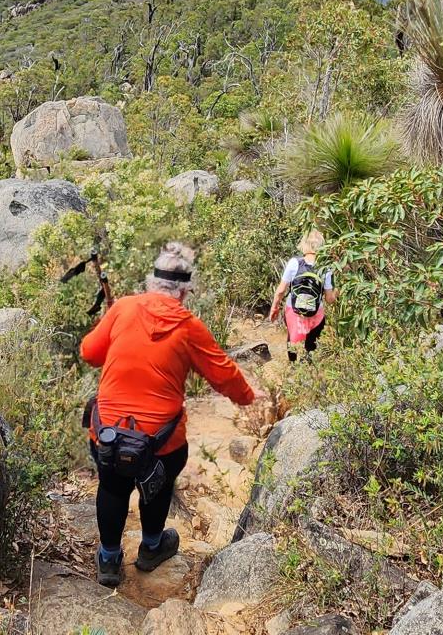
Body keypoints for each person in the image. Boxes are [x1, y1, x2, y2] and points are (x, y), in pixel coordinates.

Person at [80, 242, 256, 588]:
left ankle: (109, 559)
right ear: (186, 289)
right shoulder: (189, 327)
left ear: (150, 282)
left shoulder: (124, 308)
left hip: (108, 432)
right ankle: (151, 547)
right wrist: (249, 397)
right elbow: (223, 374)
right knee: (157, 485)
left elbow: (89, 352)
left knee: (113, 486)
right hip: (161, 439)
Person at [269, 230, 336, 362]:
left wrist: (274, 307)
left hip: (293, 311)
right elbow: (329, 299)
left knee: (292, 340)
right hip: (316, 313)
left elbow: (281, 290)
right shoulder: (326, 267)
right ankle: (309, 371)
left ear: (304, 244)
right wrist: (338, 291)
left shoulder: (295, 263)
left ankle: (292, 367)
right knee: (311, 344)